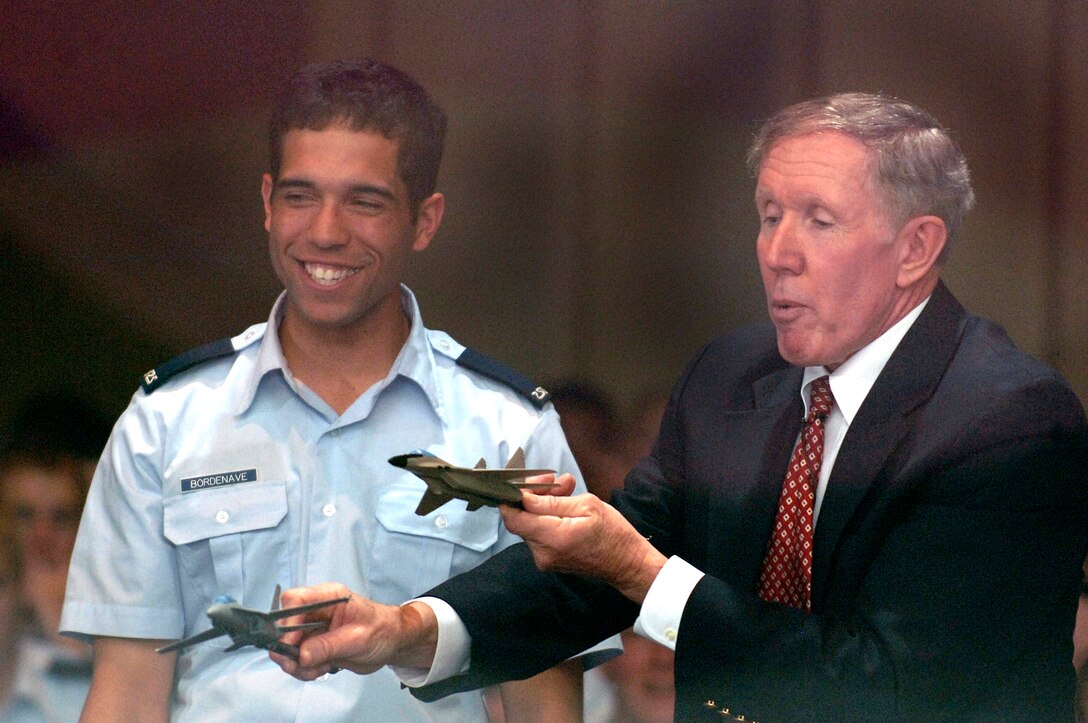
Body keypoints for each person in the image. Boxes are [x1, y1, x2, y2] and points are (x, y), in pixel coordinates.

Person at [270, 93, 1088, 721]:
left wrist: (647, 575)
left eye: (819, 220)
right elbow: (592, 574)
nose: (777, 253)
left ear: (917, 248)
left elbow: (889, 689)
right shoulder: (733, 377)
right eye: (768, 215)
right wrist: (406, 629)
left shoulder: (1008, 421)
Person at [60, 59, 614, 722]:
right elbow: (126, 696)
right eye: (300, 195)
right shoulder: (166, 419)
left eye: (365, 201)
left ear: (425, 219)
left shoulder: (509, 430)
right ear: (266, 203)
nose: (325, 231)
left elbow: (544, 700)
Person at [0, 392, 111, 722]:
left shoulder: (113, 606)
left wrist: (73, 641)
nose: (41, 536)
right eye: (23, 514)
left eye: (60, 518)